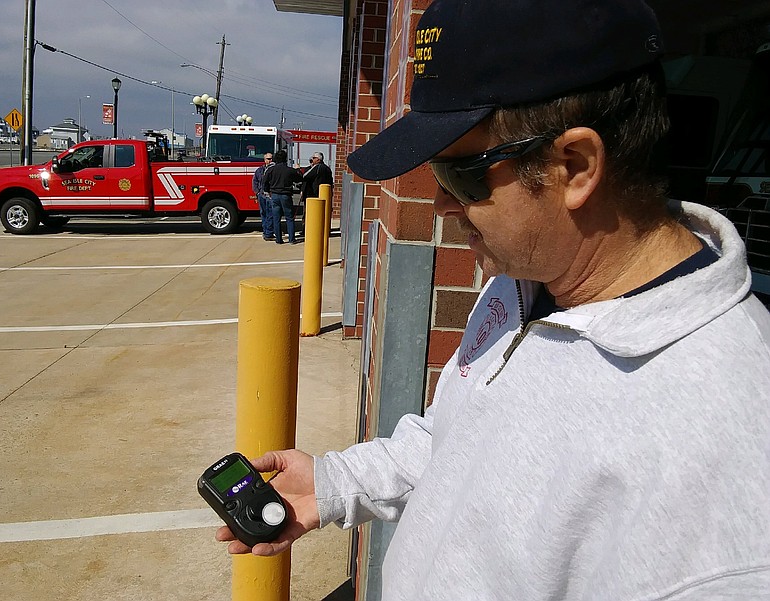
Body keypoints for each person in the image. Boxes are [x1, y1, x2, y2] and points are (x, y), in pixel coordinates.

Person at [216, 0, 770, 599]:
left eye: (461, 176)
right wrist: (333, 484)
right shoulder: (529, 282)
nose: (441, 208)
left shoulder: (724, 452)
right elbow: (454, 438)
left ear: (575, 166)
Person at [263, 149, 303, 244]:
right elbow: (299, 178)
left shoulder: (271, 170)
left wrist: (268, 191)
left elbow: (264, 182)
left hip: (275, 195)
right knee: (289, 217)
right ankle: (291, 239)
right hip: (286, 194)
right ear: (285, 159)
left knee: (276, 218)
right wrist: (297, 169)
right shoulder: (289, 170)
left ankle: (279, 239)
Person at [299, 152, 334, 234]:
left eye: (313, 158)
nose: (312, 159)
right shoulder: (327, 169)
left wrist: (298, 170)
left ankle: (306, 230)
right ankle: (322, 231)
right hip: (324, 194)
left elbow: (305, 176)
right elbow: (331, 181)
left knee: (308, 213)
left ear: (318, 159)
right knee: (322, 214)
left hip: (313, 194)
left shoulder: (317, 167)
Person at [253, 152, 275, 241]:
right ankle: (265, 231)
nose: (270, 160)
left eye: (271, 158)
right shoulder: (259, 170)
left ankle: (269, 233)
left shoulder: (274, 169)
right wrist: (257, 192)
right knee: (264, 214)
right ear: (265, 160)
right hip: (262, 195)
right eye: (268, 159)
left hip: (271, 195)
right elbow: (255, 181)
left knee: (271, 214)